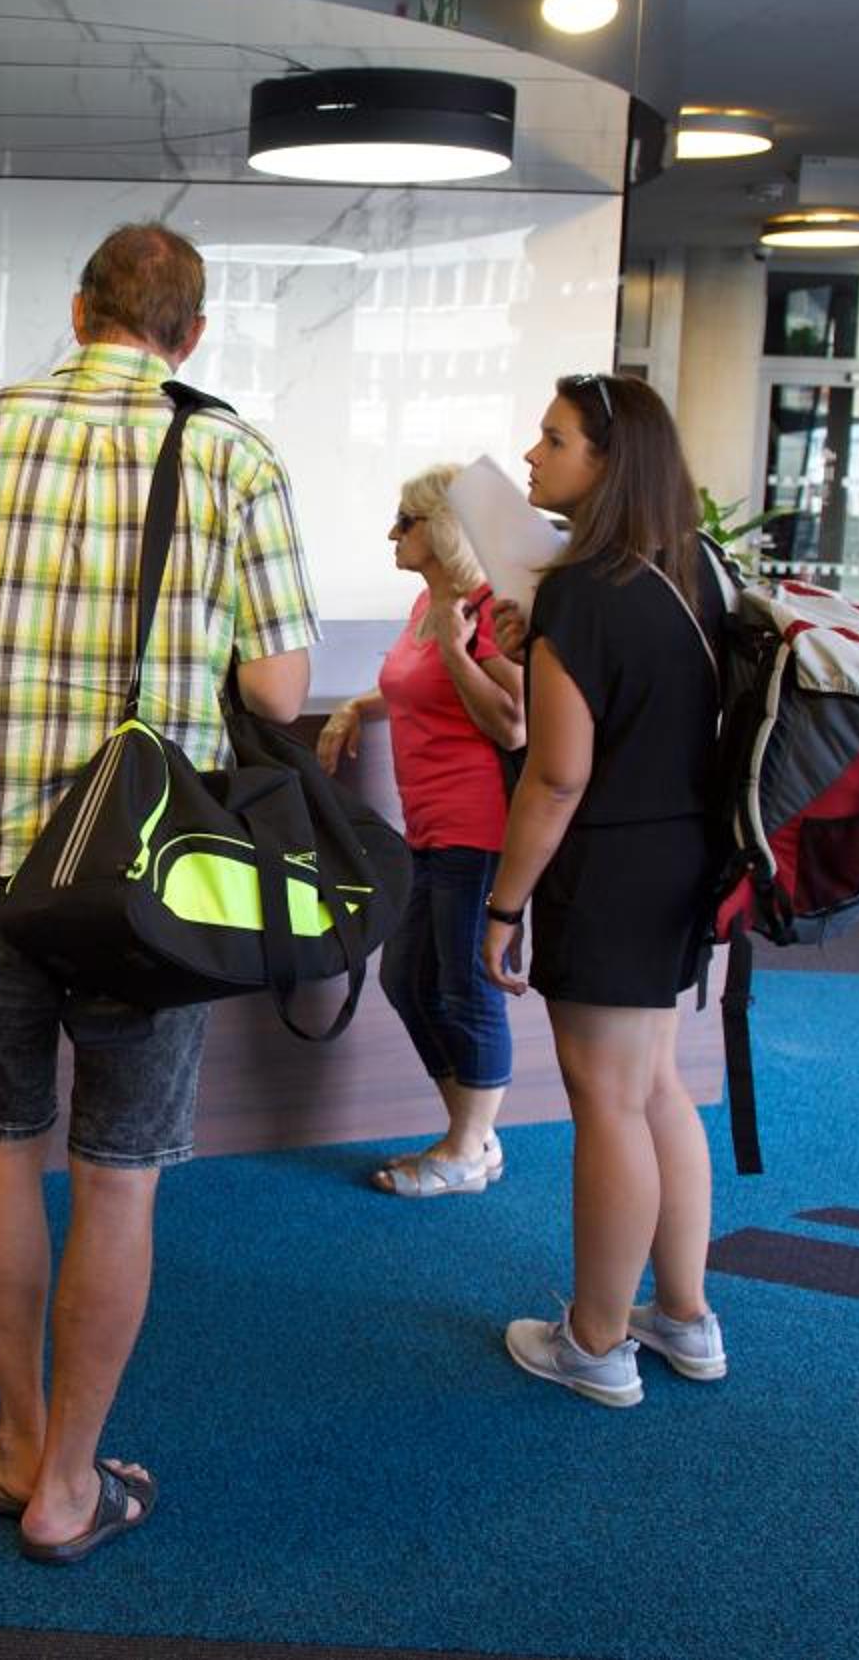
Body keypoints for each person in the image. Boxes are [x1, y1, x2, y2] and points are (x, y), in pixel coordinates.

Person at [0, 222, 318, 1562]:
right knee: (120, 1173)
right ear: (192, 335)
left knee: (0, 1141)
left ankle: (15, 1436)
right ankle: (71, 1480)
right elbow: (279, 688)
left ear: (79, 312)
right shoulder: (235, 454)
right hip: (146, 873)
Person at [482, 372, 728, 1410]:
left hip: (611, 867)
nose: (531, 456)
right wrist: (532, 649)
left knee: (611, 1103)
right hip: (686, 860)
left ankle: (595, 1340)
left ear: (606, 461)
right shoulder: (694, 572)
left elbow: (558, 776)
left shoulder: (584, 589)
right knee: (658, 1086)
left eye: (553, 439)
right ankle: (684, 1316)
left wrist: (503, 906)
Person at [315, 464, 524, 1198]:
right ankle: (472, 1135)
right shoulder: (426, 604)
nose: (392, 534)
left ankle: (467, 1149)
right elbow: (413, 684)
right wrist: (355, 706)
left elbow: (513, 722)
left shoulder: (487, 610)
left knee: (465, 986)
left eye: (406, 521)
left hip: (478, 828)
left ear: (443, 528)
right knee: (406, 979)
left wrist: (462, 651)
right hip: (427, 826)